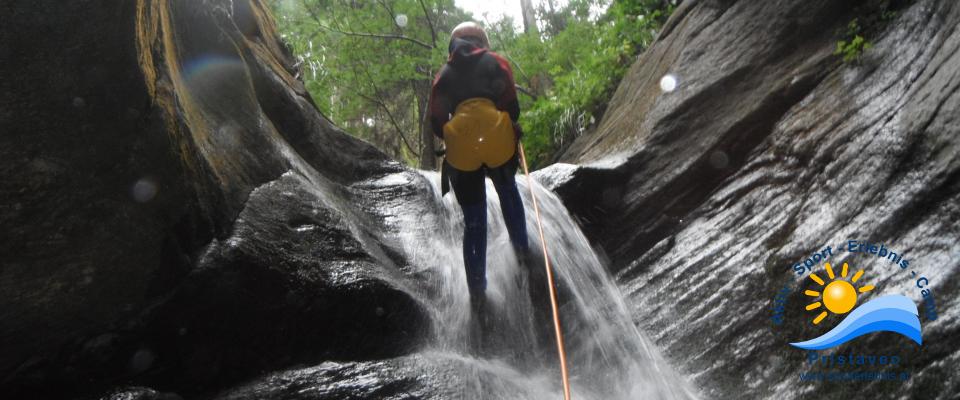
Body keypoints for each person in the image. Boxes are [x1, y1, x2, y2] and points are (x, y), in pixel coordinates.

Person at [428, 22, 529, 314]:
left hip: (461, 138)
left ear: (453, 43)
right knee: (508, 190)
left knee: (474, 220)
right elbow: (512, 104)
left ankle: (477, 289)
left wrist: (454, 131)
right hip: (495, 132)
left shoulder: (443, 75)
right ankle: (522, 250)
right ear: (481, 40)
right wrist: (510, 122)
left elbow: (437, 121)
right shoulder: (495, 62)